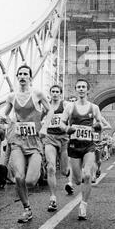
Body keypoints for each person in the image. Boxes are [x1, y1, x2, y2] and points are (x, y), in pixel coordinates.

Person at [4, 64, 50, 223]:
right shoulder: (11, 96)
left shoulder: (37, 94)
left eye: (25, 74)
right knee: (18, 176)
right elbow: (5, 114)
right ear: (17, 77)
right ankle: (27, 209)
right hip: (18, 140)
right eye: (20, 74)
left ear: (30, 77)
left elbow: (50, 110)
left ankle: (40, 167)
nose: (23, 76)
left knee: (30, 181)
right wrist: (7, 121)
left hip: (34, 141)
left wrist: (44, 126)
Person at [60, 78, 103, 220]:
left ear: (87, 89)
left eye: (84, 86)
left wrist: (97, 126)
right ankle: (77, 183)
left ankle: (83, 205)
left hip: (88, 146)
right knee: (78, 180)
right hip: (74, 146)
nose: (81, 89)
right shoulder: (70, 107)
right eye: (79, 87)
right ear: (76, 89)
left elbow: (100, 123)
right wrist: (67, 129)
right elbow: (61, 123)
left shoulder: (94, 108)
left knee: (87, 175)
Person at [40, 84, 73, 212]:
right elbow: (40, 119)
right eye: (52, 91)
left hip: (64, 138)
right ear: (50, 93)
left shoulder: (64, 105)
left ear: (60, 93)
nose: (54, 93)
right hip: (50, 138)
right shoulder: (46, 106)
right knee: (51, 167)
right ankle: (53, 198)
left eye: (57, 92)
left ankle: (69, 174)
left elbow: (71, 118)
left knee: (64, 171)